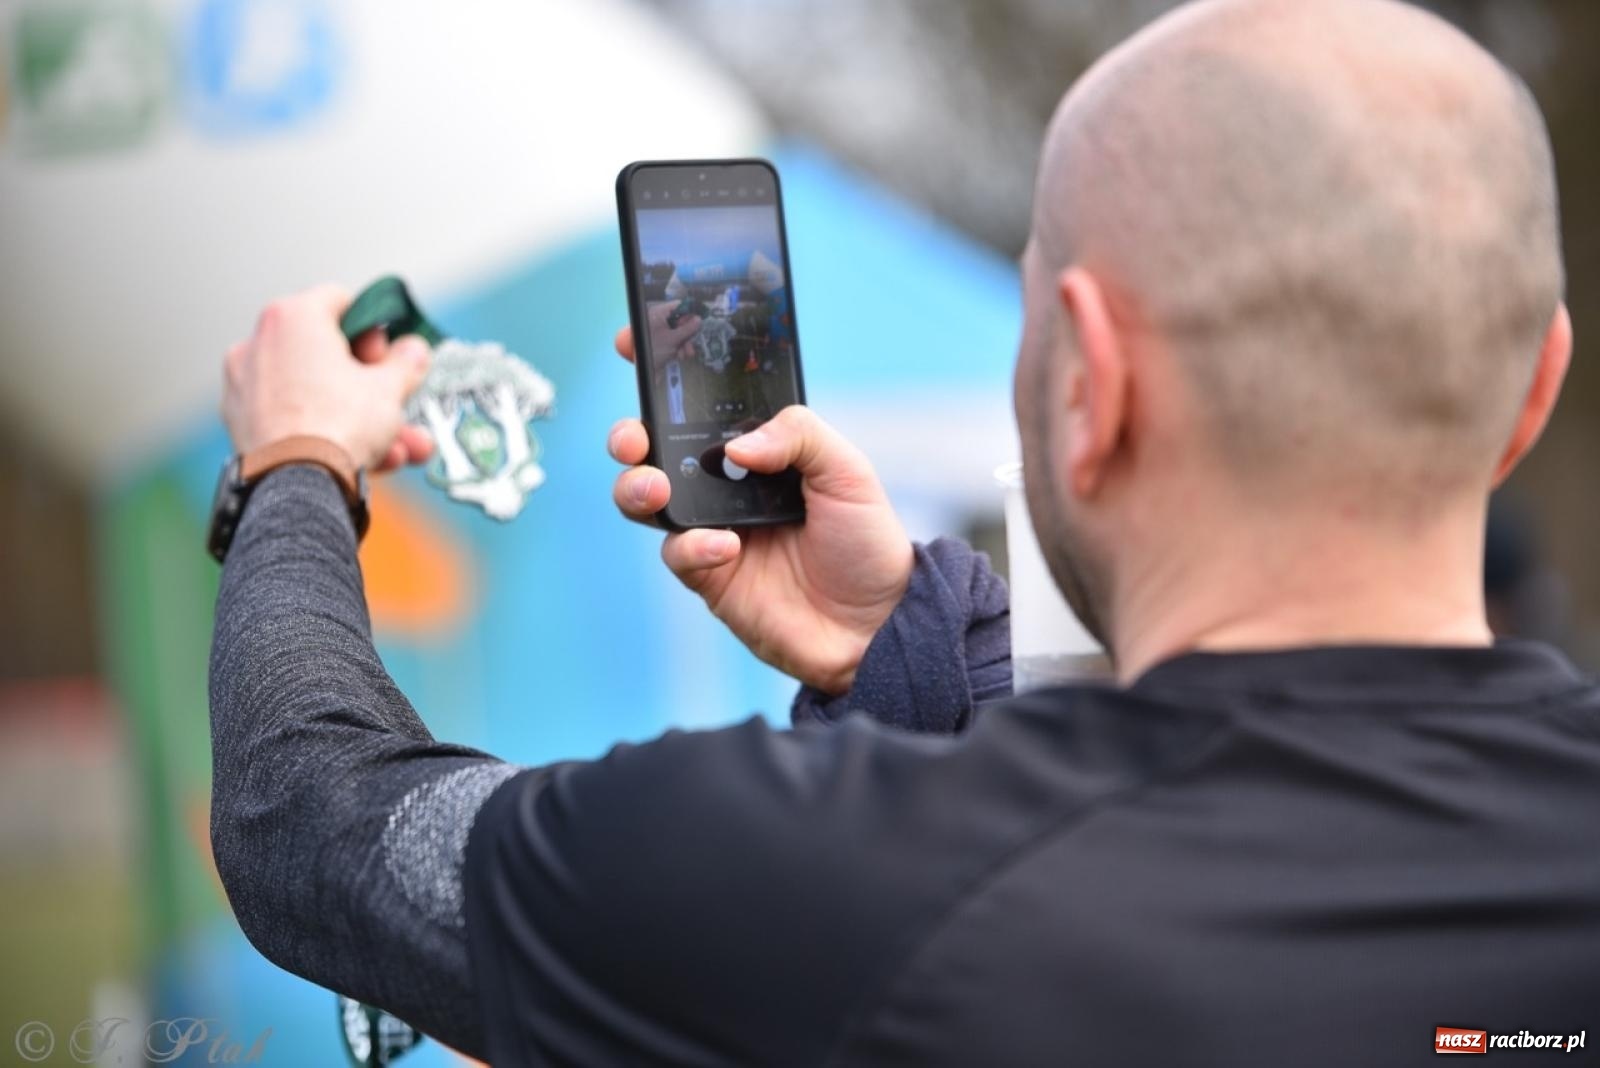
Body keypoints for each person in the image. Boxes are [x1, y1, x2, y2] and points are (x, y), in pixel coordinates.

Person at [208, 0, 1597, 1064]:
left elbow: (310, 824)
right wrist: (907, 656)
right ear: (1534, 386)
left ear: (1086, 383)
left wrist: (296, 459)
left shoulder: (811, 880)